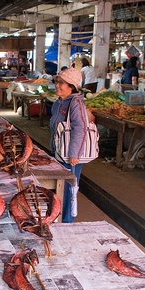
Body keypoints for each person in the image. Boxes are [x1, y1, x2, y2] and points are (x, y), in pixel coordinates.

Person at [49, 68, 95, 223]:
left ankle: (67, 222)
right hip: (59, 152)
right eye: (57, 81)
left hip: (70, 156)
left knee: (70, 190)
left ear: (72, 87)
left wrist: (74, 154)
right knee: (60, 188)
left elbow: (80, 128)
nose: (57, 85)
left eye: (62, 83)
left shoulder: (75, 103)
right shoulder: (59, 103)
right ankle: (58, 217)